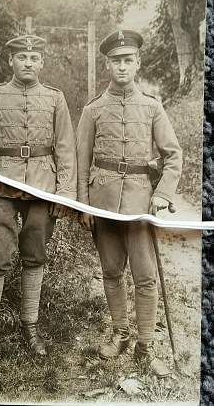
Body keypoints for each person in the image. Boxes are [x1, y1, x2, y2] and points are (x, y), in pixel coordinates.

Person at [0, 34, 76, 372]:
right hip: (1, 188)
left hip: (42, 187)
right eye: (22, 56)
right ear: (10, 61)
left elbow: (66, 149)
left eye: (34, 57)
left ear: (42, 62)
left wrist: (64, 194)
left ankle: (30, 327)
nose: (28, 62)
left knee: (35, 254)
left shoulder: (55, 99)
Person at [76, 29, 182, 376]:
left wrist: (163, 193)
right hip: (102, 200)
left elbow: (173, 155)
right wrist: (82, 205)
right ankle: (120, 333)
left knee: (146, 276)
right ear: (107, 65)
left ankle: (145, 345)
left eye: (128, 60)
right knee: (110, 270)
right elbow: (80, 160)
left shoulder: (152, 106)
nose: (122, 66)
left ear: (137, 63)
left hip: (140, 203)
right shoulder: (92, 109)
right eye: (115, 61)